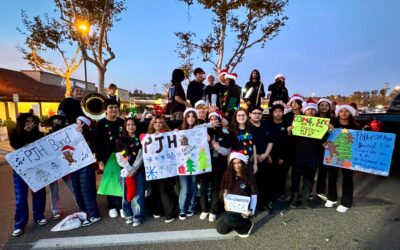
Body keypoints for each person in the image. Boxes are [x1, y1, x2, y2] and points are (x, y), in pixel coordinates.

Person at [9, 113, 47, 237]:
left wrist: (31, 133)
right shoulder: (14, 132)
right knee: (21, 196)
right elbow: (16, 145)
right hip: (21, 168)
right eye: (26, 121)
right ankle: (19, 224)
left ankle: (39, 216)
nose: (29, 123)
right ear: (21, 122)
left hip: (37, 167)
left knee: (39, 192)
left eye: (31, 121)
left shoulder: (39, 134)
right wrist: (25, 132)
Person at [287, 102, 330, 208]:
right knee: (295, 179)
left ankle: (305, 199)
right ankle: (294, 198)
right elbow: (290, 141)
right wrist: (289, 132)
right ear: (304, 111)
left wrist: (328, 131)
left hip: (313, 156)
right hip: (298, 156)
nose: (310, 112)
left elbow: (324, 141)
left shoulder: (320, 125)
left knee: (309, 179)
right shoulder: (297, 122)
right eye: (308, 110)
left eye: (313, 110)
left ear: (316, 112)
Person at [325, 104, 361, 213]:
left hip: (348, 155)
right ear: (338, 113)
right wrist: (324, 141)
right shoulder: (332, 125)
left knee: (347, 177)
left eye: (346, 111)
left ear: (350, 113)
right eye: (341, 111)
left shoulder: (356, 127)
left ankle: (346, 202)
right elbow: (324, 138)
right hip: (333, 154)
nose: (344, 113)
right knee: (332, 176)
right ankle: (332, 198)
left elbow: (360, 143)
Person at [94, 99, 125, 218]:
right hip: (108, 158)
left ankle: (122, 206)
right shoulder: (100, 124)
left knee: (122, 180)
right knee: (111, 180)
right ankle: (111, 206)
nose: (114, 110)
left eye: (116, 107)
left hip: (123, 157)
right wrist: (100, 161)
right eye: (111, 107)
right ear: (105, 110)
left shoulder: (122, 122)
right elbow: (96, 144)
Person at [216, 152, 257, 238]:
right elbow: (225, 191)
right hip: (231, 207)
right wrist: (225, 203)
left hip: (243, 208)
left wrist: (251, 211)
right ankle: (235, 223)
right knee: (221, 230)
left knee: (227, 219)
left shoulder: (249, 176)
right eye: (234, 163)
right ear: (231, 164)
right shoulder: (228, 175)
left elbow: (254, 195)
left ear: (243, 163)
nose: (237, 165)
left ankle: (247, 225)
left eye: (239, 162)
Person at [199, 112, 231, 222]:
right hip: (205, 164)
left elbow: (227, 151)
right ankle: (204, 209)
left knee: (216, 189)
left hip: (219, 166)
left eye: (216, 119)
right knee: (203, 189)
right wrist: (209, 126)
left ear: (220, 120)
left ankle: (213, 210)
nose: (214, 121)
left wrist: (217, 147)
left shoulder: (225, 132)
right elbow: (195, 128)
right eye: (211, 119)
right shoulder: (205, 130)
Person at [147, 116, 178, 223]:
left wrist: (175, 133)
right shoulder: (148, 136)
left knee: (165, 190)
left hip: (166, 168)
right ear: (152, 124)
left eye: (160, 122)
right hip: (154, 169)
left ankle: (169, 214)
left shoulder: (168, 135)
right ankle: (157, 210)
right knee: (155, 190)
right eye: (155, 122)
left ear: (163, 124)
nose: (158, 124)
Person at [72, 116, 101, 226]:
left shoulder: (91, 134)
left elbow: (92, 148)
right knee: (77, 189)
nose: (76, 125)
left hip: (86, 165)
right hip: (74, 165)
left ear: (84, 124)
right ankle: (85, 211)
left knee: (86, 189)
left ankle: (94, 214)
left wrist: (82, 135)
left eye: (79, 123)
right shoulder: (72, 133)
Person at [116, 118, 145, 226]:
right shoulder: (120, 140)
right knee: (125, 193)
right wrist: (129, 169)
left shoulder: (140, 139)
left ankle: (137, 215)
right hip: (125, 172)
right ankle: (128, 214)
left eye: (133, 124)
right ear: (125, 126)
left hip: (138, 171)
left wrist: (134, 169)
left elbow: (140, 156)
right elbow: (119, 156)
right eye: (128, 125)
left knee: (138, 194)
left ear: (136, 126)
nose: (130, 126)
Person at [47, 115, 76, 220]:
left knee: (72, 186)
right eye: (55, 122)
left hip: (64, 164)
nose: (57, 123)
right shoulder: (47, 134)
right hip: (52, 165)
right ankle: (55, 210)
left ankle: (80, 204)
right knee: (54, 189)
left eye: (59, 121)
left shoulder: (66, 133)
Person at [248, 105, 274, 212]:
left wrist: (265, 154)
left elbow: (271, 141)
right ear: (249, 114)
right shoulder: (247, 126)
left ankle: (264, 202)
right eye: (254, 113)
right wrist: (255, 155)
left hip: (264, 158)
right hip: (251, 159)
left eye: (259, 113)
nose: (257, 115)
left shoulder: (265, 126)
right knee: (252, 182)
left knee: (265, 181)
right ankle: (251, 204)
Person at [178, 108, 200, 220]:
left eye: (193, 116)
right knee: (185, 187)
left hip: (194, 164)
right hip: (182, 165)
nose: (190, 118)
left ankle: (191, 207)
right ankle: (182, 209)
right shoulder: (179, 130)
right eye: (188, 116)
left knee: (192, 185)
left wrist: (207, 138)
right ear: (185, 118)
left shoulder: (199, 130)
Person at [267, 104, 291, 201]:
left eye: (280, 111)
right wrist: (267, 155)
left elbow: (287, 142)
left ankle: (280, 193)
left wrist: (282, 157)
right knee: (270, 176)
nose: (278, 113)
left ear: (283, 112)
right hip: (270, 154)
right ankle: (271, 194)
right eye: (275, 111)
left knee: (282, 176)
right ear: (272, 113)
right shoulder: (268, 123)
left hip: (282, 154)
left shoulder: (286, 124)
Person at [316, 98, 334, 201]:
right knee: (312, 170)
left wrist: (333, 127)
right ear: (318, 107)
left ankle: (320, 191)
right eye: (321, 105)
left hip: (327, 148)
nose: (324, 107)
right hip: (314, 147)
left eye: (326, 105)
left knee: (323, 170)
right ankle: (307, 192)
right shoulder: (313, 118)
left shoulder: (333, 119)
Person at [229, 108, 258, 174]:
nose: (241, 117)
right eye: (239, 115)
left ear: (246, 116)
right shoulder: (232, 131)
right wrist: (229, 165)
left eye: (243, 115)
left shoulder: (251, 129)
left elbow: (254, 146)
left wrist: (255, 163)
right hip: (238, 164)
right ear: (235, 117)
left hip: (249, 162)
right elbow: (230, 150)